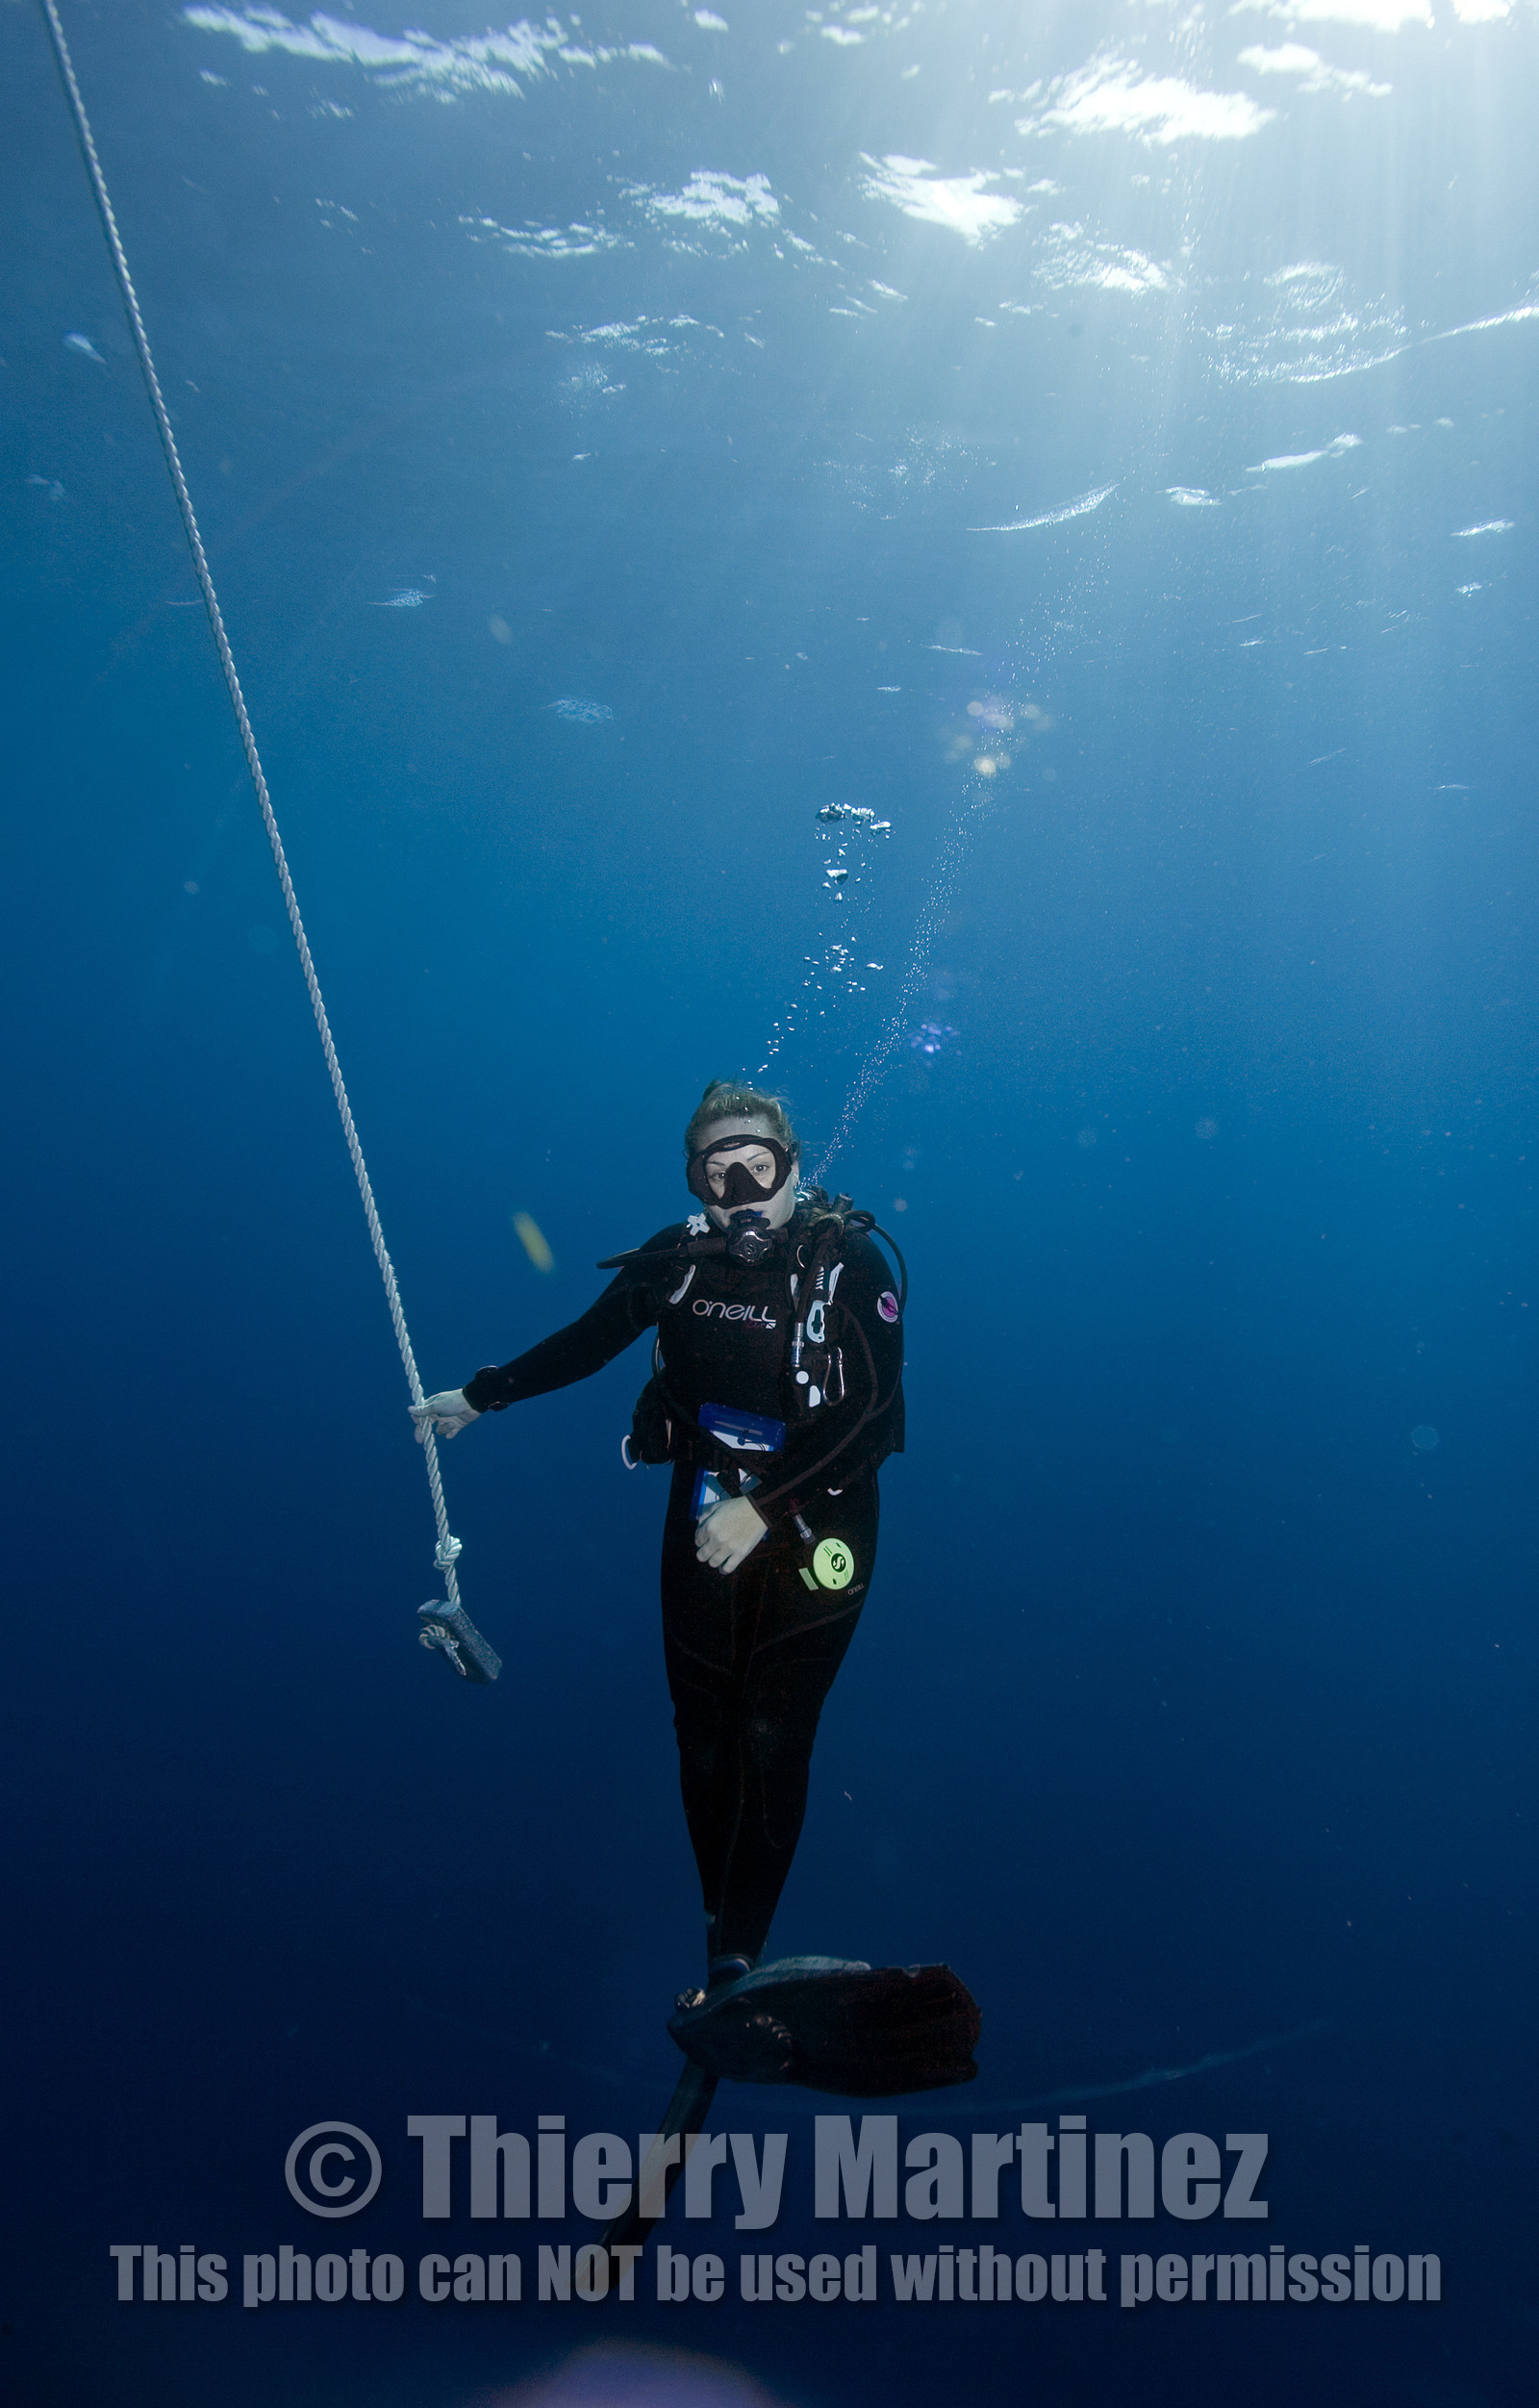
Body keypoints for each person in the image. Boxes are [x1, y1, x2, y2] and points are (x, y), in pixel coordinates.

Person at [411, 1079, 906, 1994]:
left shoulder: (849, 1263)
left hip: (818, 1521)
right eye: (721, 1173)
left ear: (794, 1169)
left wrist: (766, 1506)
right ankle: (724, 1941)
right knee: (703, 1726)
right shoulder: (676, 1264)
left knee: (773, 1727)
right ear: (696, 1184)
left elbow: (875, 1415)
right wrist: (482, 1396)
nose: (743, 1190)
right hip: (705, 1510)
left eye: (761, 1166)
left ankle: (743, 1944)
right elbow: (587, 1341)